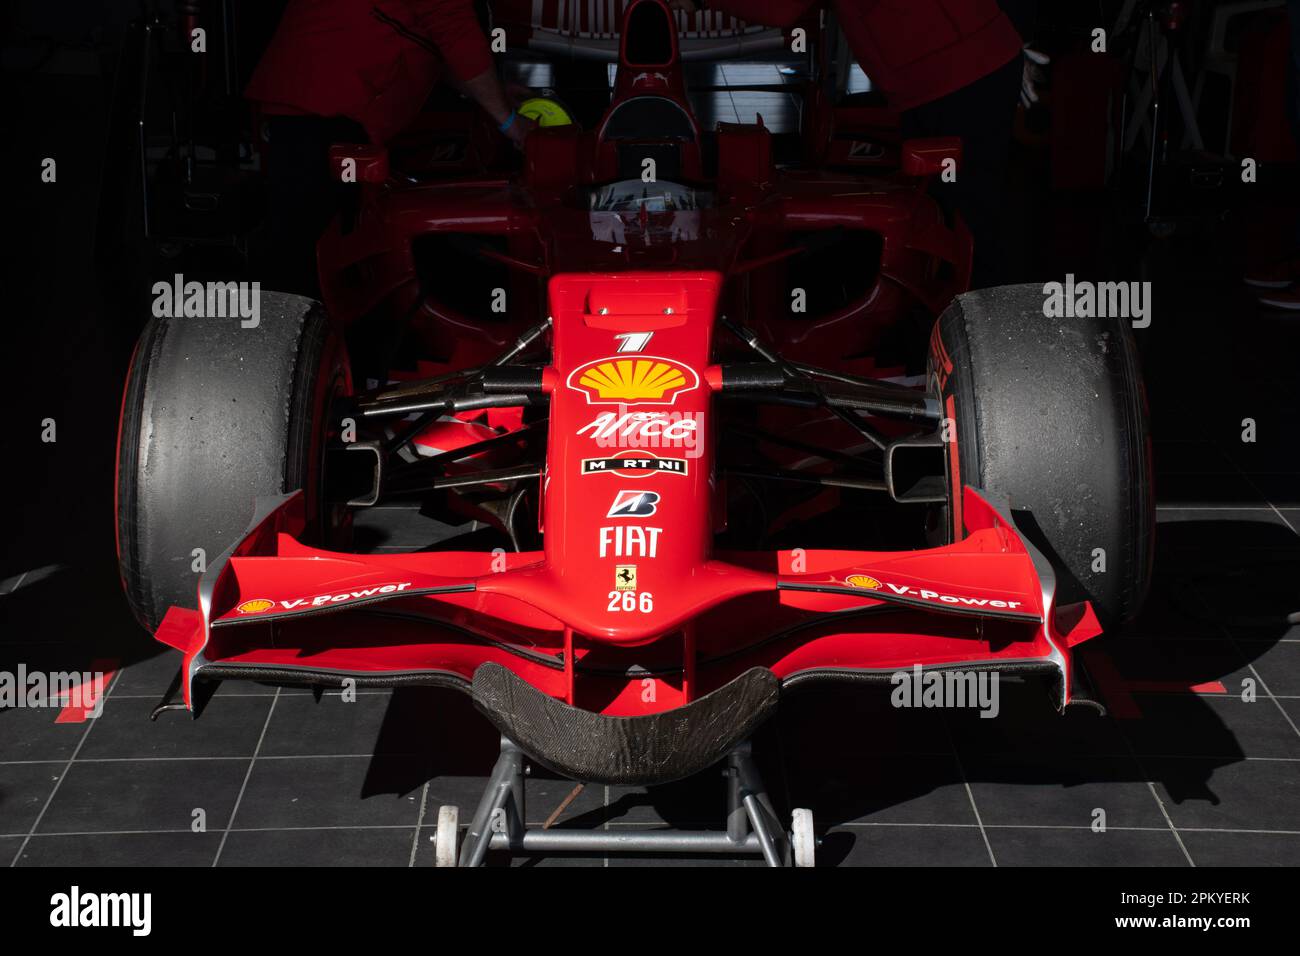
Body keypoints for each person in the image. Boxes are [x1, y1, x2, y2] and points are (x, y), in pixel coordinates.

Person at [670, 0, 1026, 287]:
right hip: (943, 71)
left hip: (960, 72)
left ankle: (996, 345)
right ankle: (955, 334)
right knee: (942, 213)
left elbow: (782, 8)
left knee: (969, 220)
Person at [246, 0, 535, 293]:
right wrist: (510, 122)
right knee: (309, 258)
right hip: (320, 105)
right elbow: (452, 27)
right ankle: (294, 332)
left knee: (323, 254)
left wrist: (495, 95)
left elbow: (441, 44)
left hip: (319, 103)